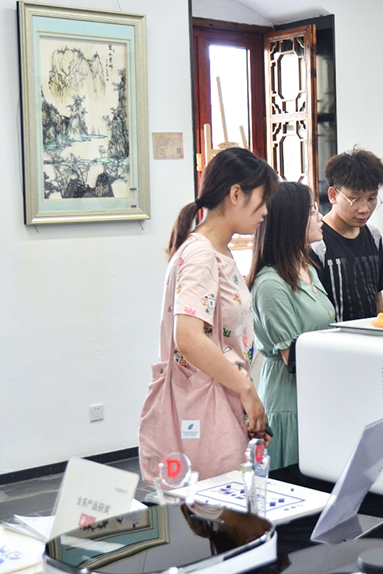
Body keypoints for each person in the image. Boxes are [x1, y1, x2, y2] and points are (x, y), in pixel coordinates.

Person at [140, 147, 278, 482]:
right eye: (262, 200)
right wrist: (246, 389)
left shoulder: (215, 249)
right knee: (218, 503)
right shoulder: (201, 254)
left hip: (219, 398)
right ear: (236, 194)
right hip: (205, 406)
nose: (265, 211)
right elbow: (187, 337)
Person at [249, 182, 336, 470]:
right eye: (312, 212)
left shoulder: (307, 268)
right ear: (291, 222)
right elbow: (295, 359)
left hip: (317, 393)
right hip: (289, 401)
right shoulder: (270, 284)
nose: (320, 217)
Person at [311, 148, 383, 321]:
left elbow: (377, 295)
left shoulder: (374, 236)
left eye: (372, 199)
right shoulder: (317, 242)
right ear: (333, 195)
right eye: (355, 199)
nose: (365, 209)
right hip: (332, 336)